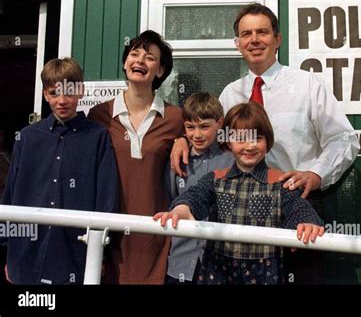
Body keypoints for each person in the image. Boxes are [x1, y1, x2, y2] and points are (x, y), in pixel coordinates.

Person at [170, 3, 359, 284]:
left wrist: (316, 174)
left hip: (297, 208)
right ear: (238, 44)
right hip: (239, 212)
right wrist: (182, 140)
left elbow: (343, 139)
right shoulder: (230, 93)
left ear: (277, 39)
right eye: (246, 34)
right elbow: (209, 136)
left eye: (262, 32)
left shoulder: (307, 85)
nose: (254, 40)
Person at [155, 102, 325, 285]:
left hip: (264, 276)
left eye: (257, 138)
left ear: (268, 141)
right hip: (218, 274)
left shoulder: (280, 182)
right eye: (241, 139)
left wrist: (307, 222)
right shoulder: (215, 179)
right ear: (228, 142)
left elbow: (298, 209)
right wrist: (182, 207)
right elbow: (196, 195)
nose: (250, 146)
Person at [1, 57, 119, 284]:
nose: (62, 100)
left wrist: (100, 253)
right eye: (55, 93)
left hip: (75, 252)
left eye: (69, 92)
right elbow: (11, 194)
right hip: (25, 253)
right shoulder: (27, 137)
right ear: (45, 94)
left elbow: (106, 198)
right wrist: (10, 249)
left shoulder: (97, 137)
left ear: (81, 91)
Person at [88, 30, 183, 284]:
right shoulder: (99, 115)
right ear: (124, 63)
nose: (140, 60)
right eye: (134, 54)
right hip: (109, 231)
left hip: (155, 232)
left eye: (150, 57)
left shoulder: (175, 118)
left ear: (160, 71)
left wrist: (183, 139)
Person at [164, 92, 234, 284]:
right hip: (181, 262)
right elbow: (171, 199)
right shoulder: (177, 162)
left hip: (222, 265)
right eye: (190, 127)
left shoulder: (232, 159)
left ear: (220, 123)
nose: (197, 134)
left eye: (204, 127)